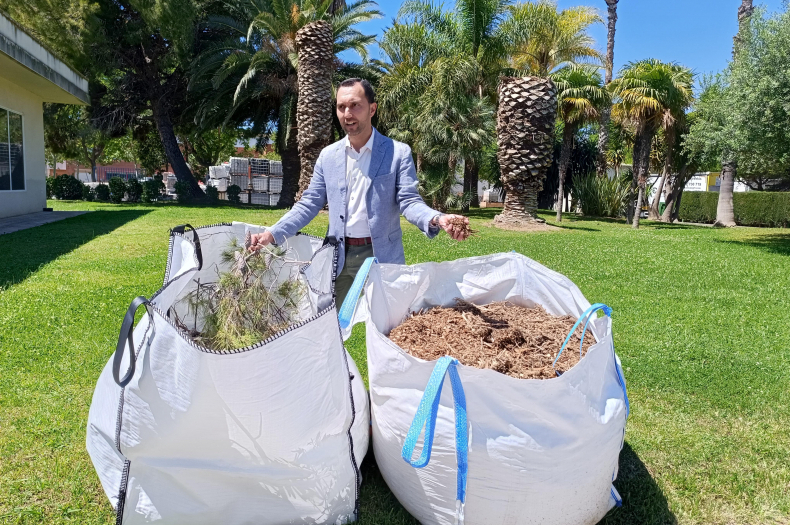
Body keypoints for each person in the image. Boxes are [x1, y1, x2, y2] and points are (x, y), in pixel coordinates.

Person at [250, 78, 470, 305]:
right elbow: (309, 203)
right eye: (341, 107)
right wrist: (272, 233)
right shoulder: (328, 156)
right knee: (328, 320)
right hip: (339, 255)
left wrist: (437, 218)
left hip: (382, 254)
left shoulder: (398, 153)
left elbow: (409, 201)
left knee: (388, 325)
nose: (348, 113)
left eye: (355, 105)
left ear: (372, 109)